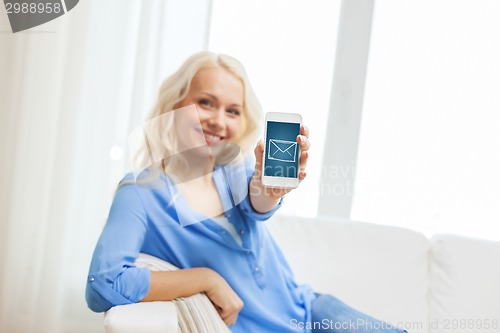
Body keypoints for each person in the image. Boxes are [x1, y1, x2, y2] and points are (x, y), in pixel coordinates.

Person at [86, 51, 406, 333]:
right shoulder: (140, 193)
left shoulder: (233, 172)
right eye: (205, 102)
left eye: (233, 111)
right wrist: (206, 279)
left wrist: (271, 189)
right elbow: (103, 284)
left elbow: (258, 200)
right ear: (174, 105)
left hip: (314, 312)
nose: (217, 120)